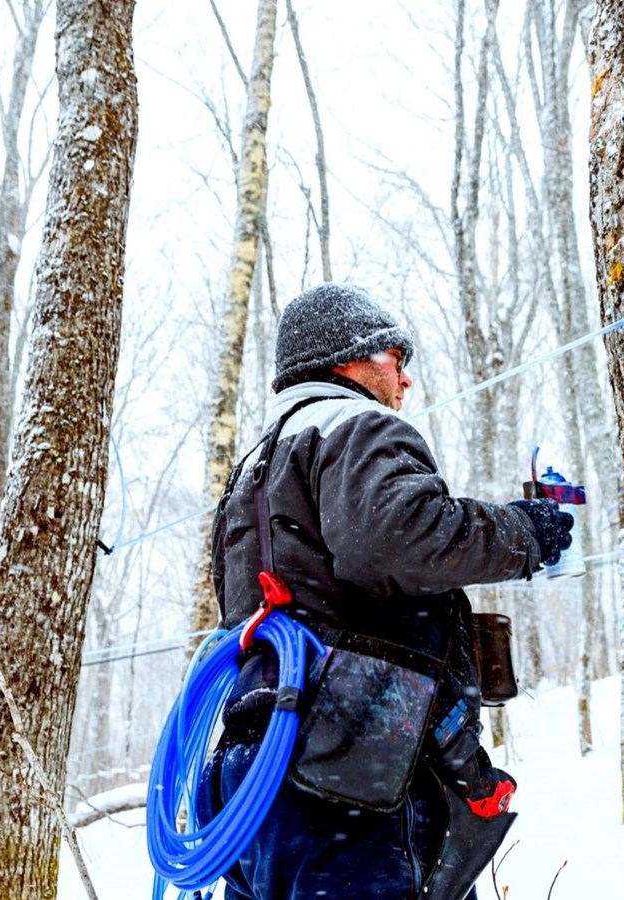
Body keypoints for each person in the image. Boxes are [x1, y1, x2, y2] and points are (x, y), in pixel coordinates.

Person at [200, 282, 575, 899]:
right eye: (397, 362)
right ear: (350, 357)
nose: (405, 384)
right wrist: (524, 532)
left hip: (254, 773)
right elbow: (398, 540)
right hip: (352, 767)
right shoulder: (355, 425)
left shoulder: (256, 467)